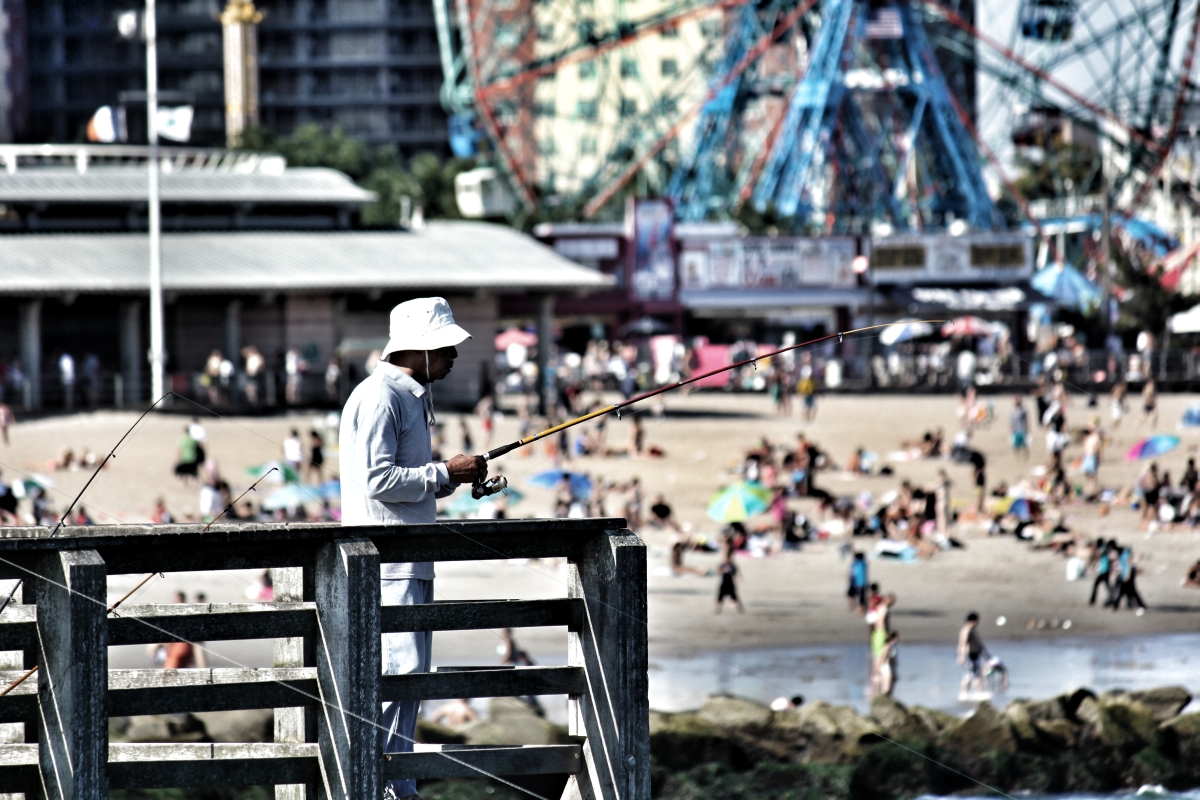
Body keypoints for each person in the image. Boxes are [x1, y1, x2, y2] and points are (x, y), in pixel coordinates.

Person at [339, 296, 480, 800]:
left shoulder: (408, 394)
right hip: (390, 565)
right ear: (417, 350)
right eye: (445, 347)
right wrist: (444, 472)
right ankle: (387, 789)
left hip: (408, 562)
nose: (453, 356)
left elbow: (406, 479)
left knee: (408, 681)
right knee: (397, 681)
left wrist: (455, 477)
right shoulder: (383, 396)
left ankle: (395, 785)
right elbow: (378, 480)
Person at [957, 612, 987, 696]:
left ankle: (964, 694)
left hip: (975, 654)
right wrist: (961, 656)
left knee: (969, 675)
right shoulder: (967, 630)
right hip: (969, 655)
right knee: (975, 675)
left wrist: (985, 653)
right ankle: (981, 693)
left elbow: (978, 643)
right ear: (973, 620)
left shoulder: (973, 629)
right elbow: (963, 643)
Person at [715, 548, 744, 614]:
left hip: (730, 583)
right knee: (720, 597)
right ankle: (718, 608)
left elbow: (736, 573)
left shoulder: (732, 566)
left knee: (734, 597)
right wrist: (721, 570)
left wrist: (739, 577)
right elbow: (718, 571)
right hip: (723, 583)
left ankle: (739, 609)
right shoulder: (722, 565)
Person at [1089, 539, 1113, 606]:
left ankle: (1092, 600)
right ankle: (1112, 598)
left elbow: (1099, 553)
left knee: (1096, 585)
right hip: (1106, 571)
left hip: (1104, 571)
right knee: (1107, 586)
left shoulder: (1104, 548)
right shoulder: (1106, 548)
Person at [1010, 395, 1029, 460]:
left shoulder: (1023, 410)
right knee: (1016, 445)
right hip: (1015, 430)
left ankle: (1025, 457)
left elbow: (1026, 421)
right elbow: (1011, 422)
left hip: (1022, 429)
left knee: (1024, 445)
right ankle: (1017, 457)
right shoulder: (1012, 411)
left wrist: (1027, 430)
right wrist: (1011, 430)